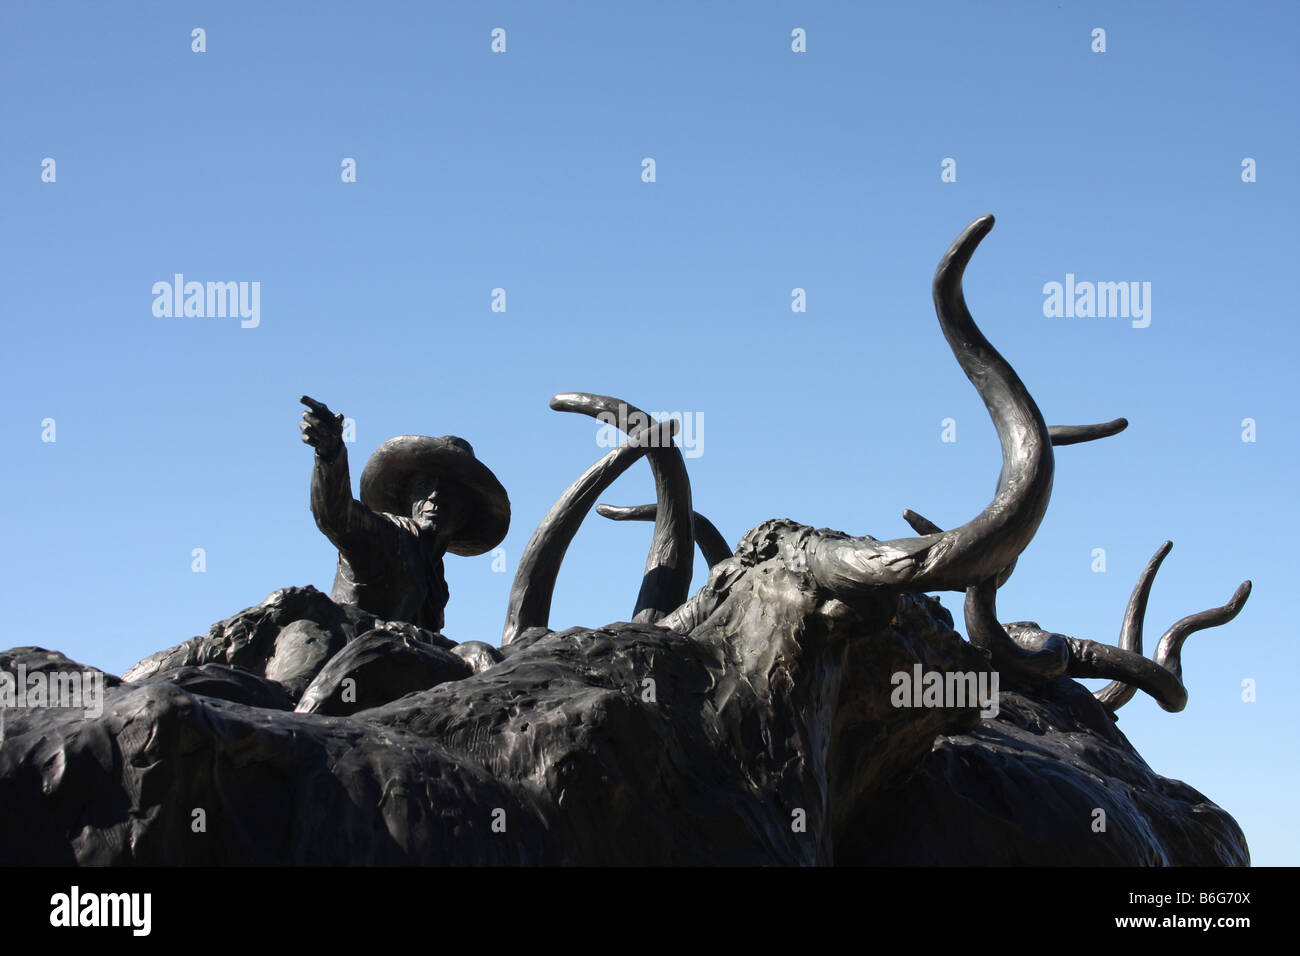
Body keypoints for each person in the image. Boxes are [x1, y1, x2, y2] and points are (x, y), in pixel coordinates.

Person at [298, 395, 509, 632]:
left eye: (449, 493)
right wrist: (330, 452)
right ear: (407, 498)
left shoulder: (437, 579)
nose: (434, 496)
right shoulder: (386, 535)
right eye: (423, 486)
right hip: (345, 656)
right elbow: (336, 517)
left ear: (464, 514)